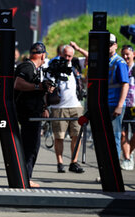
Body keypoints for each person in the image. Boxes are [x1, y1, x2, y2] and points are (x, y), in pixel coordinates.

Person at [14, 42, 54, 188]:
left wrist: (44, 105)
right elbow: (18, 84)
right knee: (30, 147)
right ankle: (25, 178)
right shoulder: (27, 67)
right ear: (43, 55)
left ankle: (25, 177)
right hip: (27, 113)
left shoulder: (35, 69)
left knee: (32, 146)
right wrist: (38, 86)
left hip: (34, 112)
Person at [49, 43, 87, 173]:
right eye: (65, 55)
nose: (68, 58)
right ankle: (60, 163)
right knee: (59, 136)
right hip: (59, 107)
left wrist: (78, 49)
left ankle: (74, 162)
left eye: (70, 56)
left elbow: (92, 58)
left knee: (77, 136)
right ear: (61, 54)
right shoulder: (54, 65)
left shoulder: (76, 63)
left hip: (76, 106)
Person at [108, 34, 129, 159]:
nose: (108, 47)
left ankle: (114, 172)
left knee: (114, 137)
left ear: (115, 45)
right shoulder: (105, 61)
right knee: (107, 138)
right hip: (106, 103)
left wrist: (120, 106)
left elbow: (125, 85)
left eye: (110, 44)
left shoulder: (119, 62)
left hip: (115, 104)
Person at [120, 44, 135, 170]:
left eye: (127, 54)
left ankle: (129, 153)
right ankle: (127, 158)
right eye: (123, 54)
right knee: (123, 133)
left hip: (134, 106)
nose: (125, 57)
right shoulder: (121, 67)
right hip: (123, 105)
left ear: (133, 55)